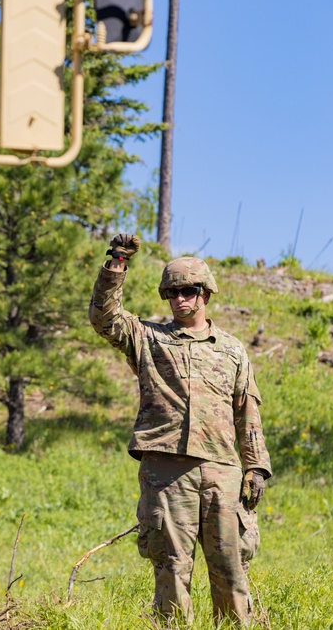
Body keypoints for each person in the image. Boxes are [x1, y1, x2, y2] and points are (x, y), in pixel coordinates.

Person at [88, 234, 272, 627]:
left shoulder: (233, 349)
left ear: (205, 294)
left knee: (231, 571)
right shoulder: (149, 339)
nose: (180, 299)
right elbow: (104, 318)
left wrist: (256, 466)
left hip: (223, 472)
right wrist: (117, 263)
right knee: (172, 569)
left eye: (188, 291)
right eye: (172, 293)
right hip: (167, 471)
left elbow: (247, 411)